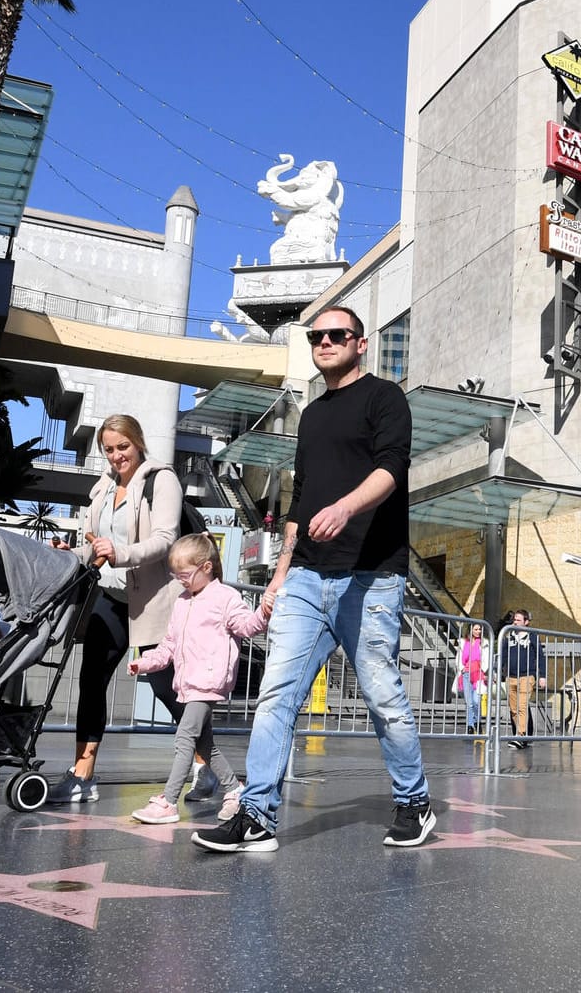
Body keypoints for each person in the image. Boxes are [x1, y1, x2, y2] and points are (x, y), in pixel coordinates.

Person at [194, 305, 435, 853]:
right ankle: (257, 816)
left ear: (361, 342)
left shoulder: (384, 398)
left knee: (382, 695)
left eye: (336, 334)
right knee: (277, 694)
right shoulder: (312, 414)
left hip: (371, 576)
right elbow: (299, 502)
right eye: (316, 336)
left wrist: (348, 508)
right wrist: (279, 575)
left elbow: (392, 469)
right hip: (305, 577)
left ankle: (413, 801)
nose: (325, 342)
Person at [54, 414, 189, 804]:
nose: (116, 456)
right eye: (109, 450)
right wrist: (71, 555)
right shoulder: (103, 488)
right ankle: (83, 773)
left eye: (122, 447)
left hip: (151, 601)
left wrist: (122, 553)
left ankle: (206, 764)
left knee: (168, 688)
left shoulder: (161, 480)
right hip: (110, 599)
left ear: (138, 441)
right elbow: (98, 545)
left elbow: (166, 538)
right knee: (91, 681)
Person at [126, 535, 270, 825]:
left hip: (208, 682)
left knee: (184, 739)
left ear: (206, 567)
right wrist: (144, 662)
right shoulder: (182, 602)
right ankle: (234, 789)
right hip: (188, 682)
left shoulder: (225, 597)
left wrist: (264, 612)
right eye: (176, 576)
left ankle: (168, 801)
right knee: (205, 745)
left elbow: (245, 626)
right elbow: (168, 646)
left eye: (185, 575)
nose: (181, 581)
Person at [502, 610, 547, 749]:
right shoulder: (510, 636)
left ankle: (520, 736)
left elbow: (540, 656)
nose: (515, 622)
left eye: (519, 620)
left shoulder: (532, 636)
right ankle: (521, 734)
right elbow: (503, 655)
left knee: (522, 707)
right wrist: (497, 671)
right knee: (513, 709)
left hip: (527, 676)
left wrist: (542, 676)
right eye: (515, 619)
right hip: (511, 676)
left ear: (526, 622)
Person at [457, 625, 487, 734]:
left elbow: (486, 658)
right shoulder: (463, 642)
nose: (478, 631)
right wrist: (462, 669)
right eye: (476, 629)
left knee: (476, 701)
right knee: (469, 702)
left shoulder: (484, 643)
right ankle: (470, 725)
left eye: (480, 629)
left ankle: (477, 722)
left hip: (478, 674)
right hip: (466, 674)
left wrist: (484, 670)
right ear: (470, 630)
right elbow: (459, 658)